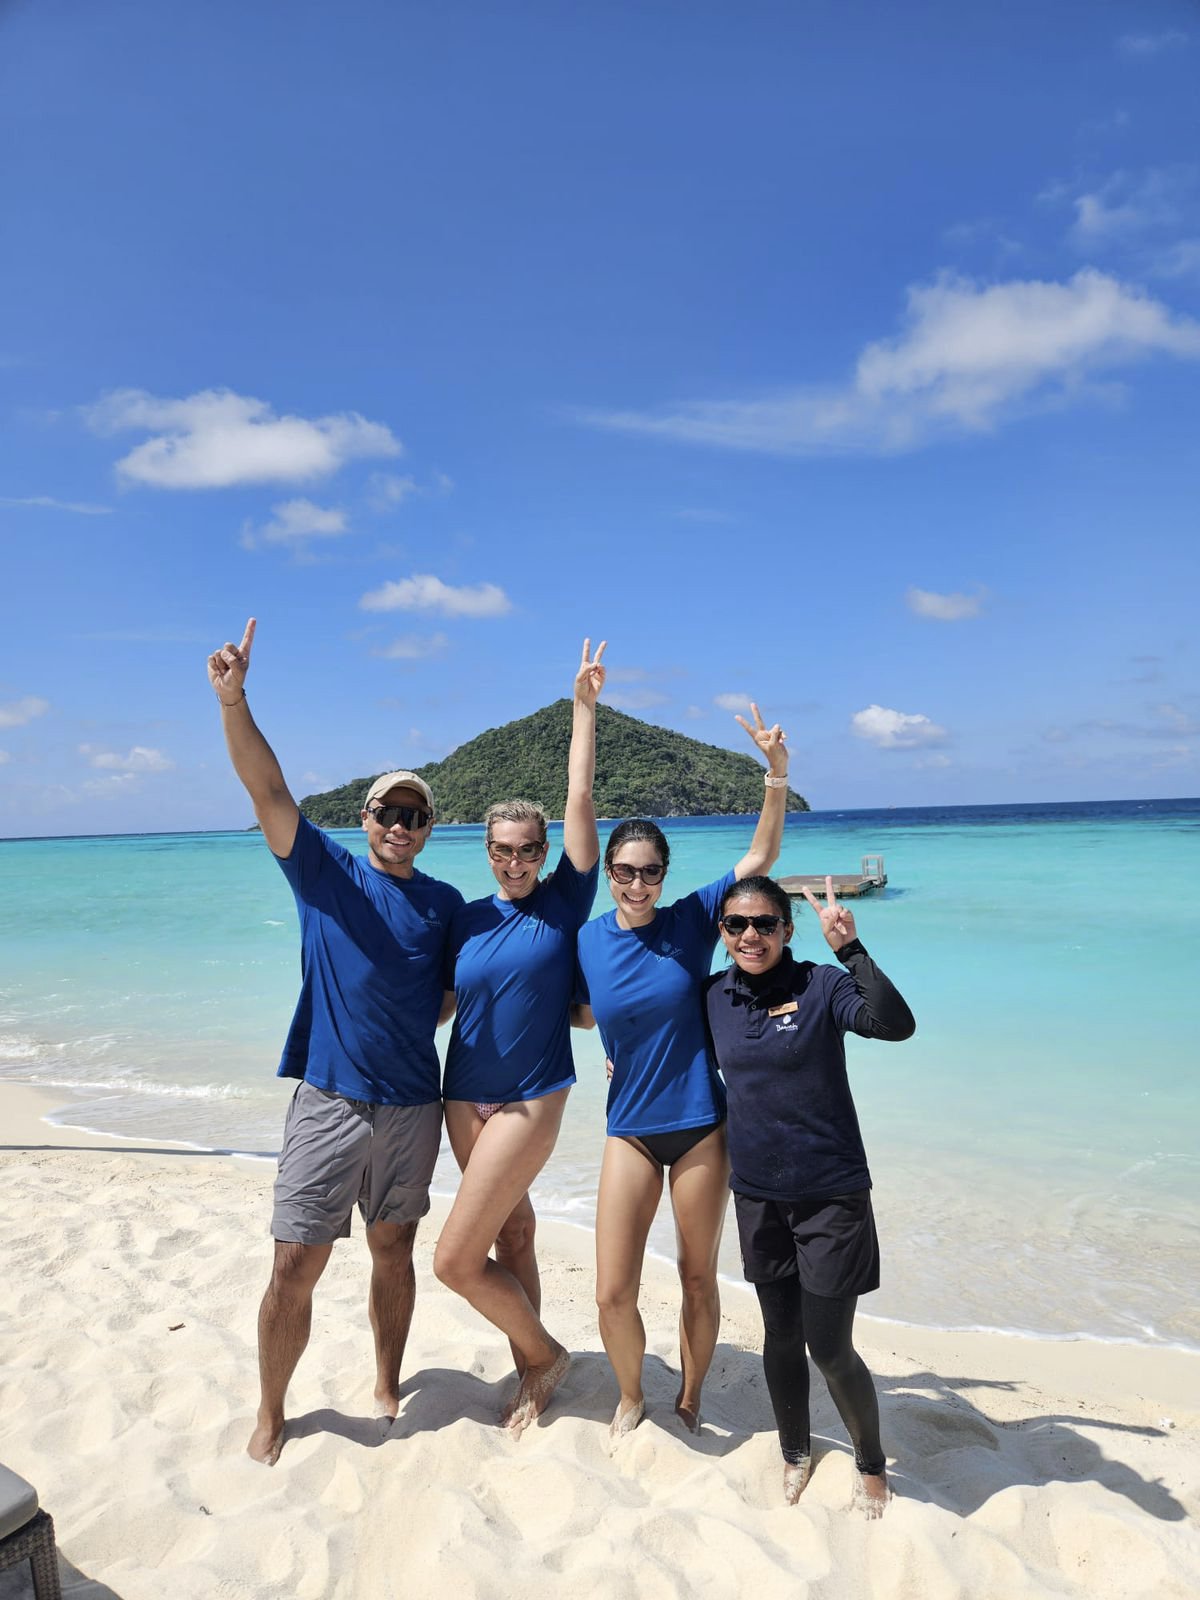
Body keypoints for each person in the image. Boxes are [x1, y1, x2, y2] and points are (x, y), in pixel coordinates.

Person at [207, 618, 463, 1466]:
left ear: (429, 828)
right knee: (294, 1266)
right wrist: (235, 699)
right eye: (389, 811)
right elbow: (268, 789)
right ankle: (273, 1409)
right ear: (366, 817)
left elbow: (469, 990)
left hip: (413, 1109)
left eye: (415, 815)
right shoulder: (324, 870)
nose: (401, 824)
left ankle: (387, 1380)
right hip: (330, 1100)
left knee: (394, 1252)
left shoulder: (445, 904)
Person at [573, 705, 790, 1442]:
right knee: (610, 1292)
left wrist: (776, 775)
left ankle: (692, 1394)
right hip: (629, 1127)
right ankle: (631, 1392)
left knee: (699, 1276)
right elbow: (579, 1011)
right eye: (626, 872)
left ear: (665, 876)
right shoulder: (588, 940)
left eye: (651, 872)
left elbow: (758, 859)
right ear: (609, 873)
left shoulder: (694, 920)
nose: (638, 884)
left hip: (701, 1125)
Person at [433, 640, 606, 1435]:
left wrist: (581, 706)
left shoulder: (564, 901)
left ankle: (544, 1354)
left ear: (544, 853)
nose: (514, 860)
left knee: (455, 1261)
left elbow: (579, 796)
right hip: (461, 1094)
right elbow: (435, 1006)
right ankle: (528, 1364)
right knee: (515, 1229)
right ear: (488, 852)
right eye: (501, 850)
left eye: (527, 849)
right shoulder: (464, 919)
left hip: (533, 1096)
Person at [703, 874, 915, 1517]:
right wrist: (619, 1061)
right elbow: (673, 1050)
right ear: (722, 933)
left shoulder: (821, 985)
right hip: (758, 1196)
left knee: (829, 1346)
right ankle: (794, 1450)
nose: (750, 936)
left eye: (765, 924)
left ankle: (871, 1462)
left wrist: (852, 950)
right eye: (737, 925)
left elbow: (893, 1024)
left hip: (831, 1196)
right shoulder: (713, 996)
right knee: (778, 1335)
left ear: (787, 930)